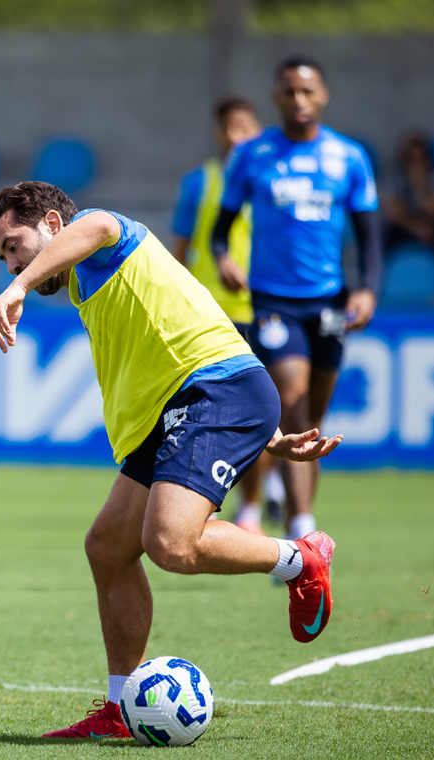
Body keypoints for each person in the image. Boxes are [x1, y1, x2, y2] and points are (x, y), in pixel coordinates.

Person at [0, 181, 342, 739]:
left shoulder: (101, 234)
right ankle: (123, 709)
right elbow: (176, 334)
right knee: (108, 547)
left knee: (171, 543)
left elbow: (98, 226)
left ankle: (300, 558)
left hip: (209, 393)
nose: (10, 264)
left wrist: (20, 287)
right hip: (181, 409)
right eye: (4, 257)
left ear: (53, 225)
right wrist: (267, 436)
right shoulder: (86, 281)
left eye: (13, 245)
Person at [211, 55, 383, 543]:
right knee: (293, 404)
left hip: (328, 302)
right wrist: (224, 258)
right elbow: (221, 229)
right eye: (290, 92)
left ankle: (296, 510)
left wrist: (367, 289)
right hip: (273, 303)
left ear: (323, 95)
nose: (299, 100)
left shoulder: (348, 157)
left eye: (308, 91)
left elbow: (368, 236)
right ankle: (302, 533)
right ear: (276, 98)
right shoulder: (253, 155)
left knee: (313, 423)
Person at [170, 96, 283, 534]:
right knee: (219, 414)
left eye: (246, 128)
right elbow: (179, 251)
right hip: (212, 316)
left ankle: (261, 498)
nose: (238, 136)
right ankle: (248, 503)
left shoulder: (272, 184)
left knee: (270, 410)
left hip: (268, 310)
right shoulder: (200, 183)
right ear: (219, 133)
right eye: (230, 128)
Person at [382, 130, 434, 300]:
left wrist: (420, 186)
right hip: (403, 231)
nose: (415, 163)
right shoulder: (394, 177)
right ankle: (379, 292)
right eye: (411, 159)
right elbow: (393, 213)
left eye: (420, 159)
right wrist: (416, 228)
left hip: (431, 230)